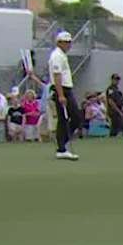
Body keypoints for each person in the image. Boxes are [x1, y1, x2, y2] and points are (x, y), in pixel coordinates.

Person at [49, 30, 80, 159]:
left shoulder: (61, 55)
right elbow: (57, 76)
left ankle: (61, 145)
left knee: (66, 119)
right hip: (62, 89)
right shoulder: (57, 56)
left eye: (69, 42)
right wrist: (61, 95)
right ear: (59, 43)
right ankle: (61, 146)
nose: (68, 45)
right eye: (66, 42)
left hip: (66, 89)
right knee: (72, 117)